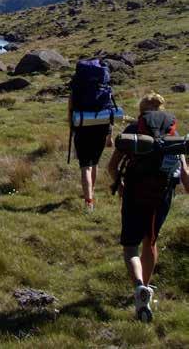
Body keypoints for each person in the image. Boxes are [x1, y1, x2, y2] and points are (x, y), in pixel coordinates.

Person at [108, 92, 189, 322]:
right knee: (150, 241)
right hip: (162, 195)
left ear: (142, 109)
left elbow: (112, 166)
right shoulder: (174, 134)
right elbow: (185, 174)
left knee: (130, 246)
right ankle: (147, 287)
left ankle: (139, 288)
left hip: (135, 191)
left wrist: (120, 184)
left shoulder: (133, 130)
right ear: (162, 109)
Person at [68, 58, 115, 211]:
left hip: (83, 128)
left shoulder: (77, 88)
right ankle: (91, 192)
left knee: (85, 167)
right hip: (101, 127)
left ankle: (89, 202)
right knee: (94, 163)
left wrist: (72, 126)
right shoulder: (104, 87)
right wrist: (110, 136)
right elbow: (111, 112)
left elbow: (70, 109)